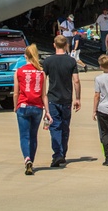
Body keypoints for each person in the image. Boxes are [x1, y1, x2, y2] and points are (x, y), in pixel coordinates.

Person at [43, 34, 81, 167]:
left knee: (55, 127)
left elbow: (43, 81)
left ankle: (57, 154)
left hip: (53, 98)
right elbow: (76, 80)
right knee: (65, 127)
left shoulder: (47, 61)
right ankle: (63, 153)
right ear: (66, 45)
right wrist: (78, 98)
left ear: (54, 45)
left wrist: (43, 99)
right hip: (67, 99)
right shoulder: (71, 61)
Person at [13, 44, 49, 175]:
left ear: (25, 56)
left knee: (24, 136)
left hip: (23, 106)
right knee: (33, 136)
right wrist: (47, 111)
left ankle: (27, 159)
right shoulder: (41, 72)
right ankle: (31, 161)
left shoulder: (19, 71)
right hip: (37, 107)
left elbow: (16, 93)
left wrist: (15, 106)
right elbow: (44, 94)